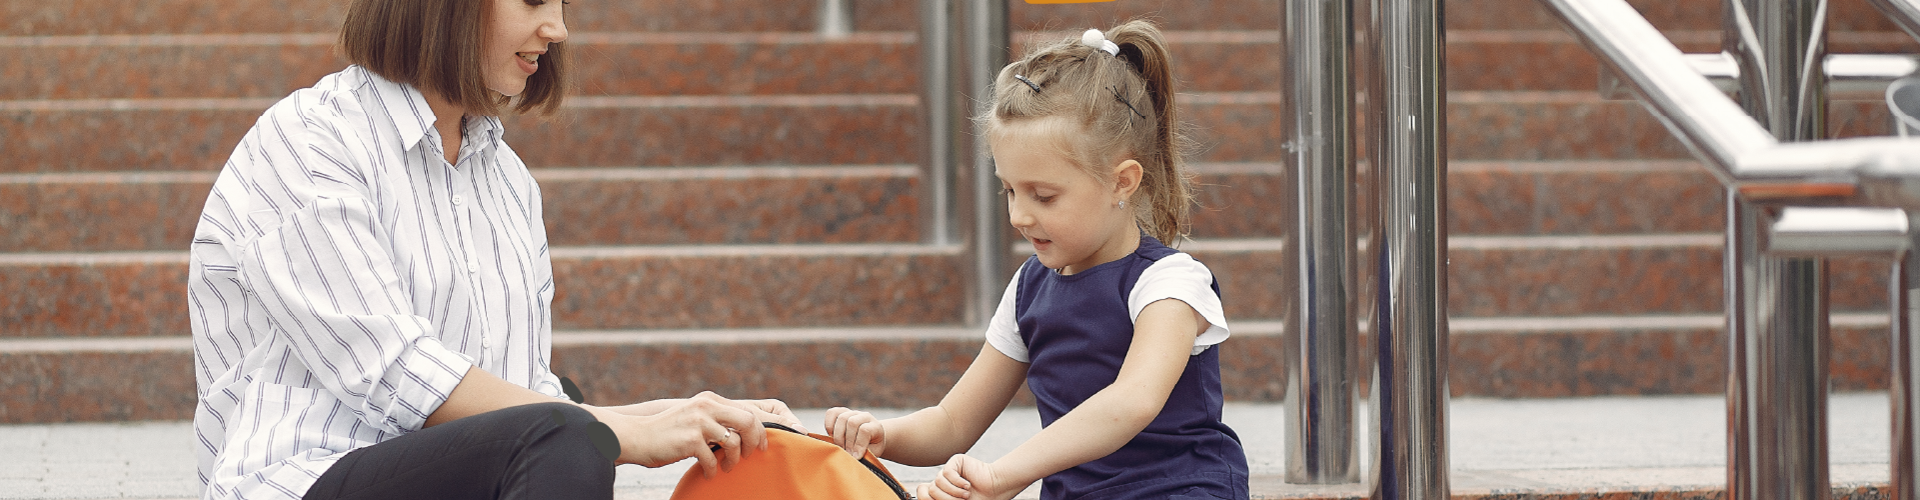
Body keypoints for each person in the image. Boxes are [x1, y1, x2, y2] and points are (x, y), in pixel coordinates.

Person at [186, 1, 802, 499]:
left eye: (562, 5)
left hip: (452, 476)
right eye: (533, 1)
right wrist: (622, 434)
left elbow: (527, 394)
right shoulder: (310, 139)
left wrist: (699, 416)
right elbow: (393, 373)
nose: (557, 29)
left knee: (569, 429)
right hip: (303, 478)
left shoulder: (507, 180)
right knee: (567, 439)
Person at [823, 20, 1250, 500]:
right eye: (1009, 190)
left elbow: (1132, 401)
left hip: (1179, 489)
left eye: (1043, 196)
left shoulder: (1169, 283)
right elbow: (952, 422)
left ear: (1122, 181)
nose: (1019, 216)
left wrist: (1004, 475)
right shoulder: (1030, 287)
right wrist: (881, 435)